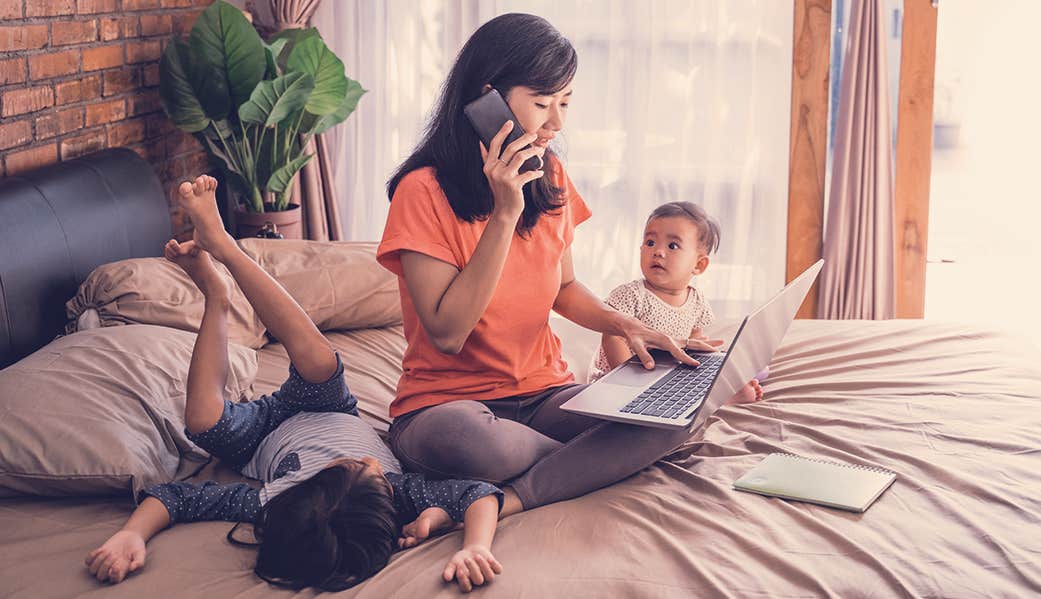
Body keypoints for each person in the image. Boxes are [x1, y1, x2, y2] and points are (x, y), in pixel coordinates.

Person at [85, 176, 511, 593]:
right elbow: (478, 494)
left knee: (201, 420)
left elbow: (177, 498)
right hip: (326, 407)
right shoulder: (396, 495)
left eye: (355, 465)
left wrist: (131, 535)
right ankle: (227, 249)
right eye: (376, 471)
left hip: (259, 437)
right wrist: (471, 543)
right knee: (320, 359)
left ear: (315, 479)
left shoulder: (270, 501)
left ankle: (216, 295)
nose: (374, 461)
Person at [377, 13, 718, 515]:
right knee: (477, 443)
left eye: (565, 102)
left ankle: (514, 496)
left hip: (543, 393)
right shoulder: (421, 190)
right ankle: (591, 466)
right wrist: (504, 212)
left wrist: (629, 325)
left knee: (677, 414)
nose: (556, 123)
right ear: (486, 97)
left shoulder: (550, 173)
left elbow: (565, 288)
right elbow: (447, 332)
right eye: (542, 103)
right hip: (447, 406)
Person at [587, 201, 765, 402]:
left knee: (706, 370)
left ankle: (717, 392)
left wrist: (708, 356)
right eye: (650, 243)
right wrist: (630, 384)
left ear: (698, 265)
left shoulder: (696, 300)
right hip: (616, 380)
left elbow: (694, 341)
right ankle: (720, 399)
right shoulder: (631, 295)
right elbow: (612, 337)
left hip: (663, 375)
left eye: (672, 246)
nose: (658, 251)